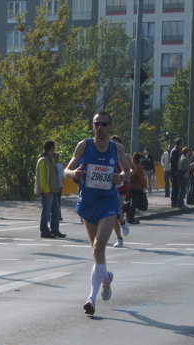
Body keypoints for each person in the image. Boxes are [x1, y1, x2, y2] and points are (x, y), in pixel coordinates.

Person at [65, 111, 131, 315]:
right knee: (96, 252)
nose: (100, 128)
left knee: (98, 245)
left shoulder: (116, 148)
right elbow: (67, 170)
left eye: (104, 124)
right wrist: (74, 173)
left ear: (110, 126)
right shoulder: (84, 145)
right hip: (88, 203)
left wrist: (119, 177)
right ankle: (105, 277)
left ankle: (91, 299)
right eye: (97, 124)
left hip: (108, 203)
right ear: (93, 126)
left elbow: (127, 171)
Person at [36, 140, 64, 238]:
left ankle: (54, 230)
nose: (54, 149)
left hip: (54, 190)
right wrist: (47, 191)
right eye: (54, 147)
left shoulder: (50, 159)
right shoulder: (43, 160)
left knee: (56, 211)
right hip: (47, 191)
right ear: (51, 148)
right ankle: (44, 231)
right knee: (46, 211)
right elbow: (43, 178)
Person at [169, 138, 183, 208]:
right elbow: (174, 163)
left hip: (175, 171)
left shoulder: (176, 150)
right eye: (182, 143)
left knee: (176, 188)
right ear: (179, 143)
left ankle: (175, 202)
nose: (182, 145)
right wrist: (176, 171)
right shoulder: (175, 151)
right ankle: (174, 202)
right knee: (175, 188)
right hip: (175, 172)